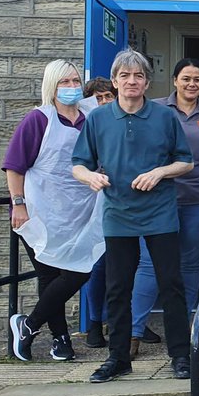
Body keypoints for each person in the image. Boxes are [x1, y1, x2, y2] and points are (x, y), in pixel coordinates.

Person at [72, 48, 194, 383]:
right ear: (114, 81)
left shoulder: (165, 117)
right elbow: (78, 164)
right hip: (118, 213)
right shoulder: (97, 119)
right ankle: (119, 358)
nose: (131, 82)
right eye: (124, 76)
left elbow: (186, 161)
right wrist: (91, 177)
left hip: (161, 213)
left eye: (138, 76)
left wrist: (160, 172)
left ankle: (181, 356)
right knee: (117, 288)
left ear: (146, 81)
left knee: (171, 284)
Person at [4, 60, 105, 362]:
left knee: (78, 272)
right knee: (49, 276)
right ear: (52, 85)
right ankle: (61, 339)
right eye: (65, 82)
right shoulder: (38, 119)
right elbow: (15, 164)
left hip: (80, 212)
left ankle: (29, 324)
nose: (72, 87)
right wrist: (18, 204)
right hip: (42, 212)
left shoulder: (90, 119)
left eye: (75, 80)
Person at [129, 58, 199, 357]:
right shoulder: (153, 108)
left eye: (197, 79)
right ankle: (133, 332)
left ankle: (186, 329)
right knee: (149, 265)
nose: (192, 84)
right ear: (175, 81)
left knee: (191, 265)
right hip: (159, 199)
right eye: (186, 78)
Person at [79, 76, 115, 348]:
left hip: (123, 201)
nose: (102, 103)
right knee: (97, 264)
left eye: (107, 97)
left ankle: (123, 322)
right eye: (97, 98)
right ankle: (94, 323)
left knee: (130, 265)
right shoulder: (83, 125)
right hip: (90, 203)